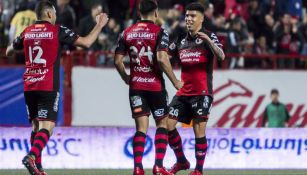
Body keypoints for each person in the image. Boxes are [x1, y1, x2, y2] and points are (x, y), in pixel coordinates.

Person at [6, 1, 108, 175]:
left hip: (29, 86)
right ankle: (31, 156)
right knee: (48, 127)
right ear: (48, 14)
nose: (55, 17)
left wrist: (10, 51)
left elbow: (10, 49)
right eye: (53, 13)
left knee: (36, 127)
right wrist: (99, 25)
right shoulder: (57, 31)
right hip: (47, 85)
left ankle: (38, 168)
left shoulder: (27, 32)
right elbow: (86, 43)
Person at [114, 0, 182, 175]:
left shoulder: (126, 33)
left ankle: (137, 167)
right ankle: (158, 165)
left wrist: (125, 78)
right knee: (162, 124)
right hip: (155, 86)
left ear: (138, 12)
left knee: (141, 128)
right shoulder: (160, 32)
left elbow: (117, 61)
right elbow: (161, 58)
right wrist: (175, 80)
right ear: (156, 12)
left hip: (136, 86)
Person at [167, 3, 225, 175]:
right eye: (187, 15)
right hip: (183, 93)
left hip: (202, 93)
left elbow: (221, 56)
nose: (189, 19)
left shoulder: (209, 36)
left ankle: (198, 170)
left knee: (198, 130)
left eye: (193, 16)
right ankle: (182, 161)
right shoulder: (180, 39)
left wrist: (208, 41)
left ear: (202, 18)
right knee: (167, 125)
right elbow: (164, 58)